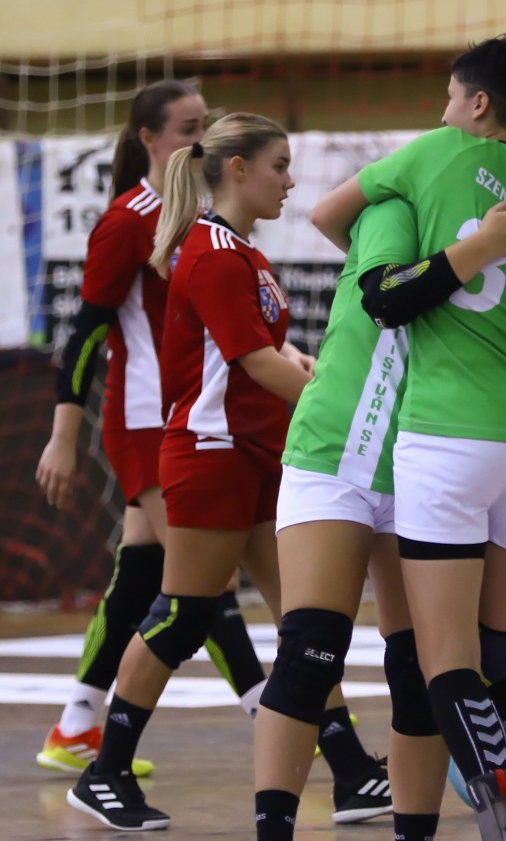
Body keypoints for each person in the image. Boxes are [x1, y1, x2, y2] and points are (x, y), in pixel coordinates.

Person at [65, 113, 384, 832]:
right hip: (211, 454)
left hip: (255, 454)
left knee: (304, 622)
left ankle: (354, 771)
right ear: (238, 170)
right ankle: (104, 770)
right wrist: (348, 409)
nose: (291, 181)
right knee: (183, 614)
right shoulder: (210, 252)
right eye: (280, 165)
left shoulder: (242, 252)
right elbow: (254, 363)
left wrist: (309, 368)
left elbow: (265, 355)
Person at [311, 33, 506, 840]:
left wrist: (419, 256)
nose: (443, 111)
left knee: (444, 659)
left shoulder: (433, 155)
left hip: (447, 436)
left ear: (478, 103)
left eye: (449, 97)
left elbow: (329, 216)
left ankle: (496, 799)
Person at [252, 192, 506, 841]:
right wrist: (476, 245)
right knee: (309, 654)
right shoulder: (398, 210)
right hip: (333, 452)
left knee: (417, 669)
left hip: (423, 462)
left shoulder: (500, 234)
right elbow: (374, 281)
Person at [33, 81, 268, 778]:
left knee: (142, 574)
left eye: (205, 126)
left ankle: (77, 724)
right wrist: (63, 435)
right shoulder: (129, 219)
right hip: (146, 420)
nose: (199, 140)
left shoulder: (202, 214)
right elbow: (86, 330)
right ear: (148, 139)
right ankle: (284, 716)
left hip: (184, 414)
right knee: (205, 582)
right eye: (187, 129)